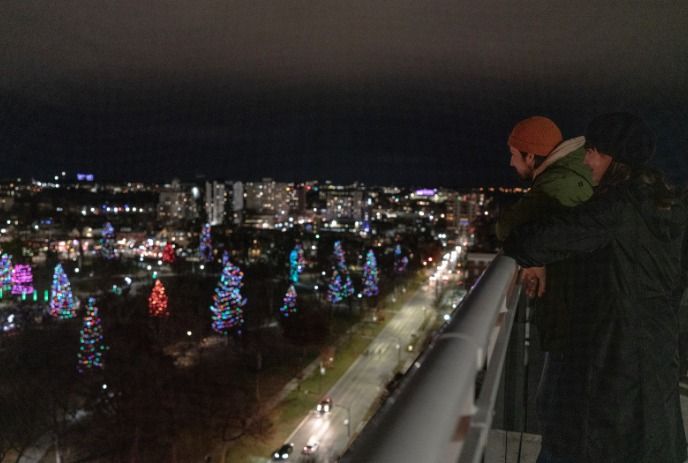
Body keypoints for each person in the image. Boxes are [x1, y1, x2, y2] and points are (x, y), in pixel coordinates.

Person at [504, 113, 687, 463]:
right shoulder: (668, 203)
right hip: (658, 353)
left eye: (592, 150)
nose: (586, 160)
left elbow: (530, 241)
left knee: (592, 444)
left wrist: (538, 254)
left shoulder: (617, 206)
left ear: (612, 157)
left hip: (615, 359)